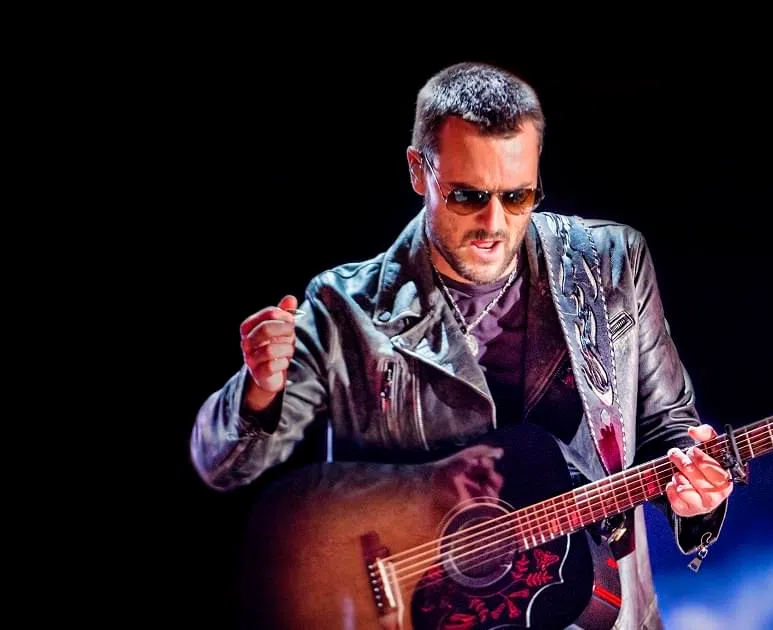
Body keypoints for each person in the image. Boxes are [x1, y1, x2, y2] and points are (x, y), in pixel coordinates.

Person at [190, 61, 733, 630]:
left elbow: (669, 427)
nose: (493, 223)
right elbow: (222, 464)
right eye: (467, 195)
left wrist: (696, 491)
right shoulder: (345, 306)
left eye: (518, 196)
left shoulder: (612, 263)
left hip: (601, 607)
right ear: (417, 171)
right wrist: (259, 390)